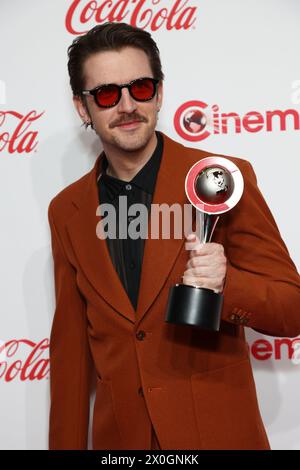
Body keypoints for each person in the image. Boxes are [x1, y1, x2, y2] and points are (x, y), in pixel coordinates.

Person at [47, 22, 300, 450]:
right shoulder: (66, 211)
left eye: (140, 88)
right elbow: (71, 356)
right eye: (107, 94)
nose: (127, 106)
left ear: (159, 93)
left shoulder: (218, 180)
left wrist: (227, 284)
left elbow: (292, 309)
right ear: (82, 108)